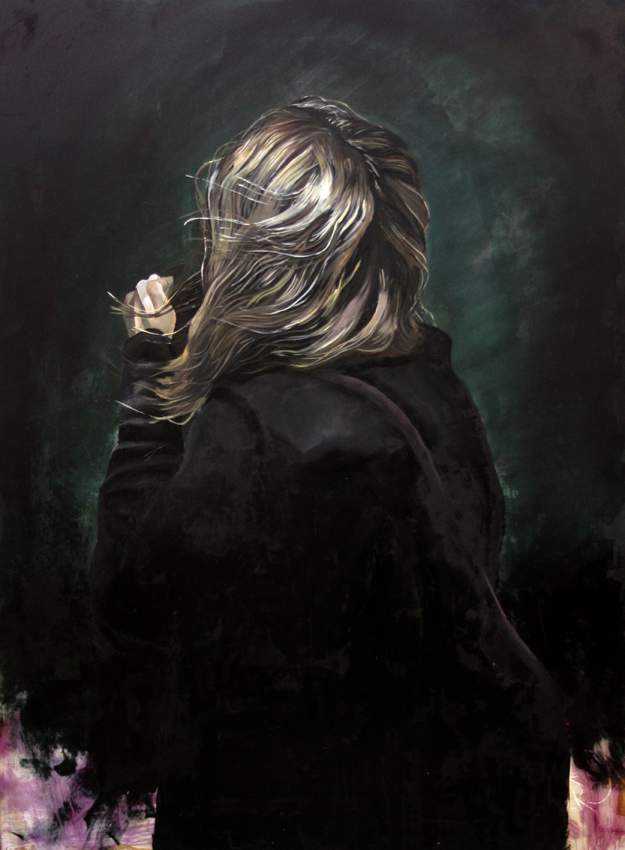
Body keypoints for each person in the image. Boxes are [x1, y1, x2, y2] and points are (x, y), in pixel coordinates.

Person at [89, 96, 570, 850]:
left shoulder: (259, 428)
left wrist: (150, 375)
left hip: (283, 815)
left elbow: (130, 594)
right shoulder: (434, 384)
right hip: (444, 809)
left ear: (259, 257)